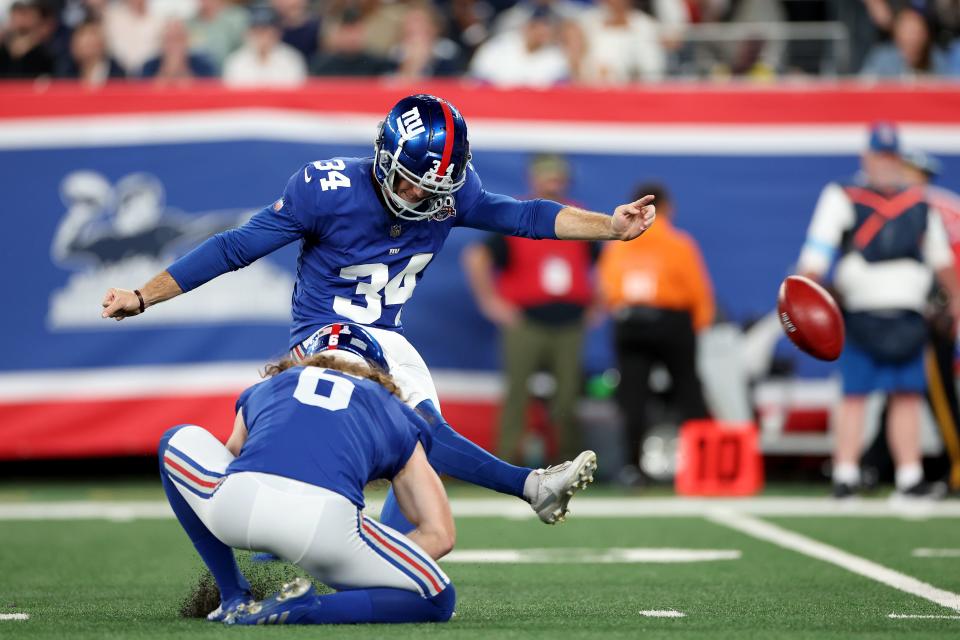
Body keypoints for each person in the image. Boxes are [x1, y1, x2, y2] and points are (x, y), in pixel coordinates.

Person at [101, 93, 655, 529]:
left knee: (426, 443)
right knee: (397, 437)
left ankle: (382, 549)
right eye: (413, 182)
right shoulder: (327, 187)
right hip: (324, 333)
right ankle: (531, 486)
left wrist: (610, 226)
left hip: (386, 337)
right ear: (384, 157)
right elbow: (233, 248)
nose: (423, 197)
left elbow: (527, 216)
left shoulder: (451, 192)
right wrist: (144, 295)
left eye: (436, 186)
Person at [159, 323, 456, 625]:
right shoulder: (394, 410)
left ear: (307, 358)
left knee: (173, 439)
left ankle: (232, 597)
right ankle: (309, 608)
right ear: (379, 372)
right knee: (438, 597)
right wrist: (360, 571)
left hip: (237, 510)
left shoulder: (269, 387)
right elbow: (439, 535)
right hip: (324, 529)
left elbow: (231, 456)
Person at [797, 122, 960, 500]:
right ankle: (846, 473)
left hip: (908, 314)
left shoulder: (919, 201)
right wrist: (807, 294)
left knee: (907, 395)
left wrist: (955, 298)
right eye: (879, 156)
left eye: (891, 157)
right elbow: (816, 254)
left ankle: (908, 475)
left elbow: (940, 259)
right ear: (866, 157)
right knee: (854, 394)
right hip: (860, 312)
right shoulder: (843, 195)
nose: (885, 164)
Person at [462, 153, 594, 465]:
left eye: (557, 173)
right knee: (518, 393)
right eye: (546, 173)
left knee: (568, 395)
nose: (552, 180)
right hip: (526, 321)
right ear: (533, 177)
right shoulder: (520, 215)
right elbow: (476, 257)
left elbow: (601, 261)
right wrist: (491, 302)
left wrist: (596, 304)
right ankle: (506, 460)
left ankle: (569, 462)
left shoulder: (579, 216)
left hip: (570, 320)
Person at [596, 182, 714, 484]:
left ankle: (632, 468)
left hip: (630, 323)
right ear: (667, 207)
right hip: (672, 321)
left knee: (633, 397)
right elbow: (698, 293)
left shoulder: (618, 242)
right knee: (689, 392)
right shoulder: (679, 243)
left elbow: (607, 290)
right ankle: (703, 466)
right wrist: (697, 327)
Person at [902, 149, 960, 493]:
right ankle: (875, 464)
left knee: (937, 390)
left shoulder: (929, 207)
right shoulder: (943, 204)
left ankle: (956, 464)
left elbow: (945, 262)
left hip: (933, 310)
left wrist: (947, 302)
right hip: (917, 308)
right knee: (903, 389)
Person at [222, 5, 307, 87]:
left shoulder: (291, 59)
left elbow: (297, 94)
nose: (262, 36)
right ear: (248, 33)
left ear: (277, 33)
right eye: (256, 31)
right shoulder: (236, 61)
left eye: (266, 30)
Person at [141, 18, 216, 81]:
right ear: (162, 43)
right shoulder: (148, 67)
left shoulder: (204, 67)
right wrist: (166, 71)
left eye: (179, 38)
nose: (175, 45)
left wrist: (183, 70)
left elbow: (206, 92)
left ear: (187, 41)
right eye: (169, 39)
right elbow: (144, 93)